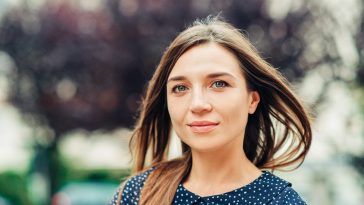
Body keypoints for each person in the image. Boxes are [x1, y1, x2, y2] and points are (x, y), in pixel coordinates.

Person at [111, 16, 312, 205]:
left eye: (219, 84)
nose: (197, 104)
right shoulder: (137, 194)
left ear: (252, 100)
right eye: (180, 88)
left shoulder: (280, 201)